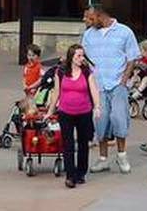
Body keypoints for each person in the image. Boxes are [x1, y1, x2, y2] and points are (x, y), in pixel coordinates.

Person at [81, 4, 140, 174]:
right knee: (101, 120)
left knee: (119, 118)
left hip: (117, 84)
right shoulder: (88, 35)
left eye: (90, 18)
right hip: (98, 85)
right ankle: (103, 159)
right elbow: (83, 56)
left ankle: (122, 156)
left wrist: (123, 81)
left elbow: (132, 58)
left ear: (100, 16)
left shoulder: (124, 32)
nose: (87, 21)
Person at [44, 44, 101, 188]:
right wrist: (50, 110)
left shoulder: (87, 72)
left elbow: (94, 90)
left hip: (84, 112)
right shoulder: (61, 72)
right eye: (78, 56)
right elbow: (56, 92)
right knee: (68, 144)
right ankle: (70, 175)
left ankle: (81, 173)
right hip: (65, 112)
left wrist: (97, 107)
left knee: (83, 144)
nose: (81, 59)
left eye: (82, 56)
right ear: (71, 57)